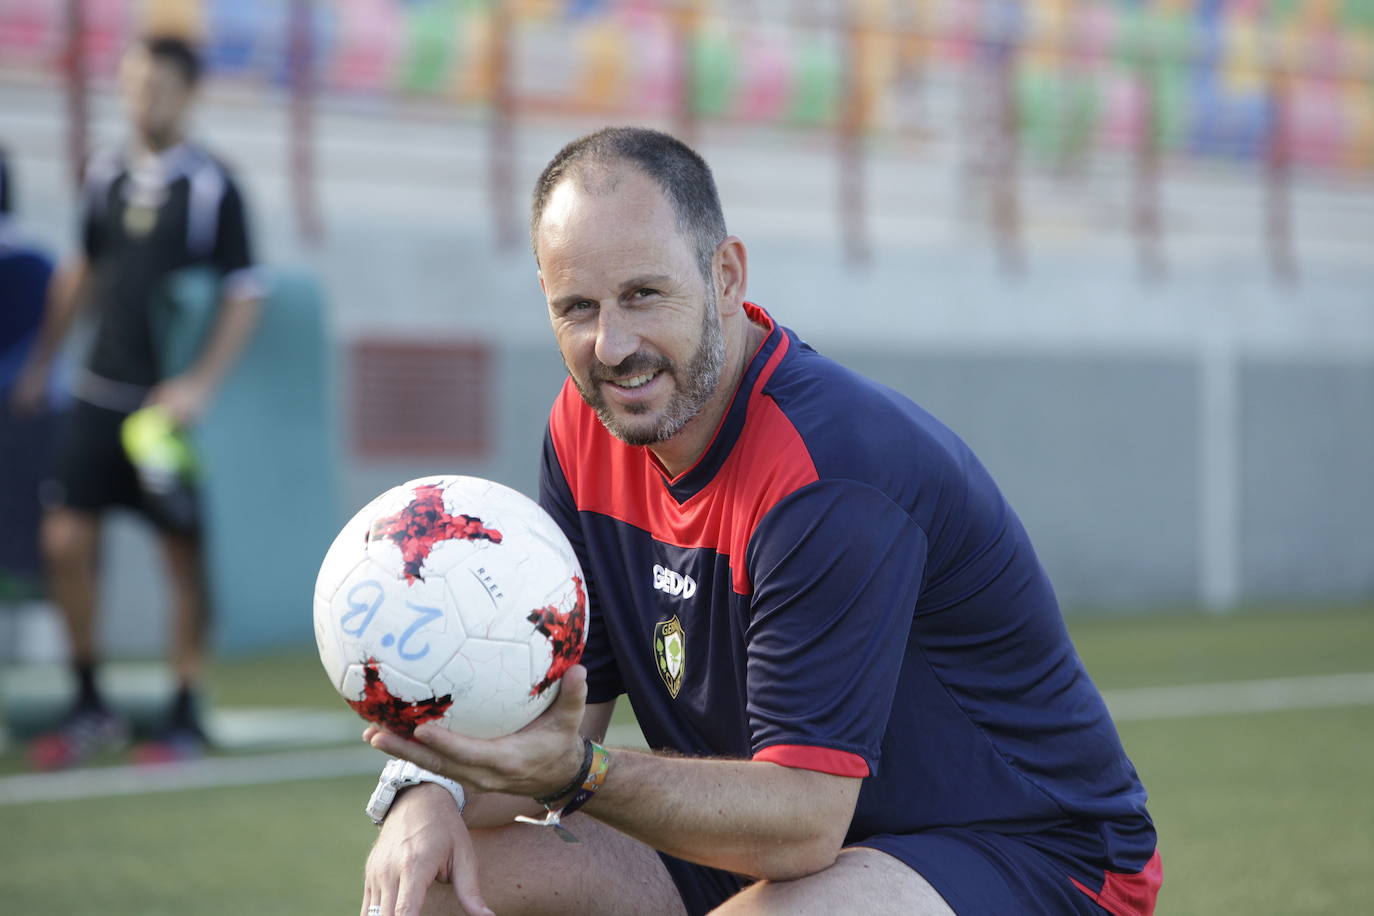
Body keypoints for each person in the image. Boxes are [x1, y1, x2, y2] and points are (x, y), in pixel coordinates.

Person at [356, 127, 1161, 916]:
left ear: (727, 276)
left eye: (644, 294)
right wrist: (424, 796)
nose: (612, 345)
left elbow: (802, 821)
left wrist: (580, 775)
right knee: (435, 883)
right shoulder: (583, 431)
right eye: (578, 307)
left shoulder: (827, 473)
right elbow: (552, 722)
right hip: (751, 836)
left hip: (1026, 855)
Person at [9, 35, 261, 768]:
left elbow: (246, 295)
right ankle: (89, 703)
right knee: (64, 542)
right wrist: (42, 363)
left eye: (157, 86)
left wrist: (198, 385)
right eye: (131, 83)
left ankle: (185, 707)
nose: (141, 98)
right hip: (95, 392)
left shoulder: (215, 185)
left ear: (188, 93)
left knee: (181, 555)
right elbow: (81, 268)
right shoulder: (105, 175)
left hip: (162, 415)